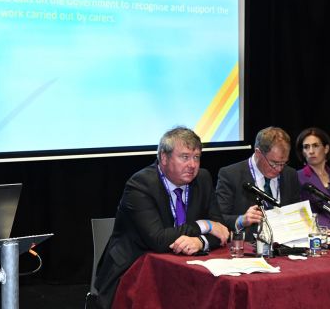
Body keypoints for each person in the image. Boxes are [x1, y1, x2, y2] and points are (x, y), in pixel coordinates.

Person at [92, 127, 230, 309]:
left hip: (185, 268)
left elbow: (221, 229)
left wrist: (200, 242)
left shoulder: (202, 179)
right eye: (185, 157)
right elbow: (158, 239)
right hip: (135, 270)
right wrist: (203, 225)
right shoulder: (140, 185)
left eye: (196, 157)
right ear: (164, 158)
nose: (192, 165)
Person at [215, 126, 301, 237]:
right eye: (274, 163)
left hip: (284, 246)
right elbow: (218, 218)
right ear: (258, 153)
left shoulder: (290, 174)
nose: (279, 169)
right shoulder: (231, 175)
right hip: (248, 248)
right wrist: (242, 220)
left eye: (283, 163)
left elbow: (296, 212)